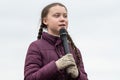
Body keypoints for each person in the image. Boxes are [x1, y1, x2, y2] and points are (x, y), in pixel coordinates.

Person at [24, 2, 88, 80]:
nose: (62, 19)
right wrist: (56, 66)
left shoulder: (74, 50)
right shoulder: (36, 46)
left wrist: (78, 75)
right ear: (45, 21)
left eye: (65, 16)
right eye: (57, 16)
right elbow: (29, 78)